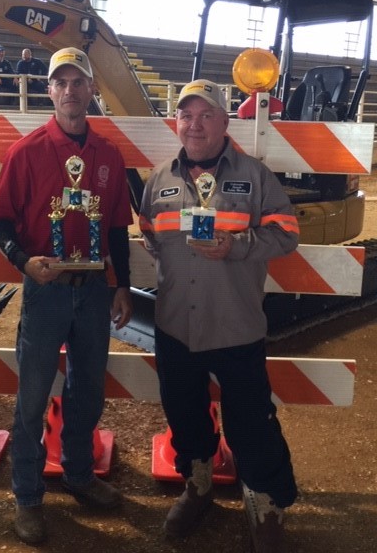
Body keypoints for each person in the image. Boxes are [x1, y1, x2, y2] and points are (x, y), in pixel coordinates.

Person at [139, 79, 299, 551]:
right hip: (175, 327)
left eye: (206, 115)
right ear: (177, 123)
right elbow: (150, 235)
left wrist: (237, 246)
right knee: (185, 415)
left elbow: (286, 232)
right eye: (186, 115)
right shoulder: (160, 181)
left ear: (225, 121)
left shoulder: (254, 175)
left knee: (251, 421)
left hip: (236, 324)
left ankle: (266, 503)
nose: (195, 124)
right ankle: (200, 485)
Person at [0, 46, 133, 545]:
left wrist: (122, 288)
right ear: (50, 91)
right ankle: (27, 497)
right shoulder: (25, 153)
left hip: (93, 292)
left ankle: (77, 474)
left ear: (92, 90)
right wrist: (23, 262)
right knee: (31, 398)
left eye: (79, 82)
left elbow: (115, 230)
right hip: (45, 290)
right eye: (61, 83)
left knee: (87, 390)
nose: (70, 91)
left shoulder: (109, 156)